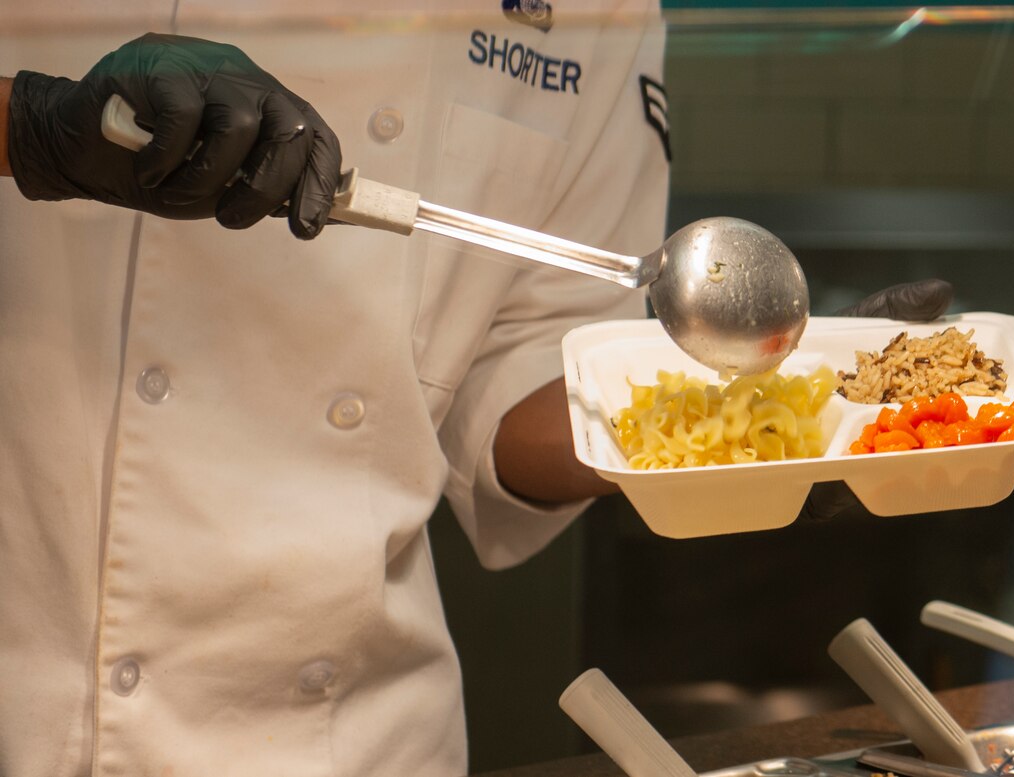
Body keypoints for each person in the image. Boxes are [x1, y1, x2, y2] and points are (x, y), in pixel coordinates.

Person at [0, 6, 951, 776]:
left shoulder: (599, 10)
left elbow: (526, 364)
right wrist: (29, 128)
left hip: (339, 739)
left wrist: (768, 426)